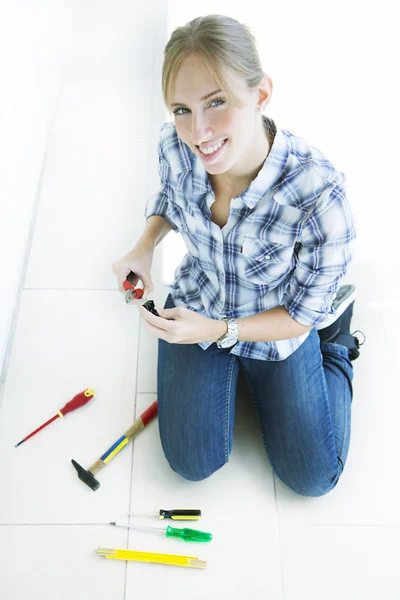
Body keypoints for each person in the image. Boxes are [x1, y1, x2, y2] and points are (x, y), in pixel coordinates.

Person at [112, 14, 365, 497]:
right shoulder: (176, 145)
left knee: (314, 477)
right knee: (191, 463)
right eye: (181, 109)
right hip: (202, 299)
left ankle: (335, 344)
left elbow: (296, 316)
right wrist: (143, 248)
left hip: (280, 321)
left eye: (217, 102)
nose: (199, 133)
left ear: (261, 95)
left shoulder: (319, 194)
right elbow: (170, 198)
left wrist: (214, 333)